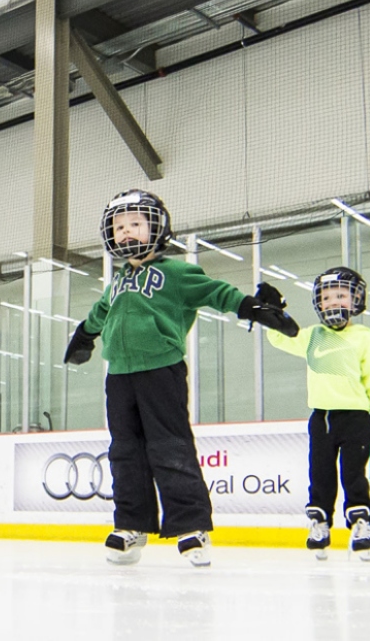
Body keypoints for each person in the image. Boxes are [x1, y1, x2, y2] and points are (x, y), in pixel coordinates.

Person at [62, 190, 297, 568]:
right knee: (125, 451)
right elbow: (100, 311)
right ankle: (131, 525)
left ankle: (190, 525)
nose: (125, 233)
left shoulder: (177, 272)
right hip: (119, 376)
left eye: (135, 224)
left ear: (157, 228)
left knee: (169, 445)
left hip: (161, 371)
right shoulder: (118, 282)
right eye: (118, 227)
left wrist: (248, 306)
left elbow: (215, 292)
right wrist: (85, 334)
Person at [262, 267, 370, 561]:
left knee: (353, 473)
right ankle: (319, 521)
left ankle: (361, 523)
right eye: (327, 297)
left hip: (356, 417)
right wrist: (271, 315)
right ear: (318, 303)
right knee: (320, 472)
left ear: (355, 300)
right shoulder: (311, 336)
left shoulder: (364, 337)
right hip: (321, 418)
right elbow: (280, 339)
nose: (334, 301)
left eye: (341, 295)